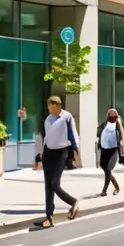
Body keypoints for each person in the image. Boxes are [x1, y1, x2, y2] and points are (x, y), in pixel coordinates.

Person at [38, 96, 80, 227]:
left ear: (57, 105)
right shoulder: (48, 119)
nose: (49, 108)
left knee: (55, 183)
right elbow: (46, 138)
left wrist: (75, 151)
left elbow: (73, 134)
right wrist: (40, 156)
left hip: (61, 153)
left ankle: (73, 202)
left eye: (51, 106)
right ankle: (48, 217)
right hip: (48, 153)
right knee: (48, 187)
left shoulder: (66, 117)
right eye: (48, 106)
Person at [97, 108, 124, 197]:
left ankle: (105, 190)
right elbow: (99, 133)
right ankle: (115, 186)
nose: (112, 117)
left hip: (113, 150)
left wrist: (123, 150)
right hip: (104, 149)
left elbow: (122, 135)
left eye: (114, 115)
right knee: (103, 166)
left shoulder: (117, 125)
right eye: (110, 115)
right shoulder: (105, 124)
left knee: (108, 169)